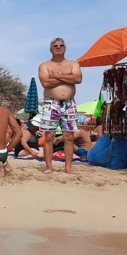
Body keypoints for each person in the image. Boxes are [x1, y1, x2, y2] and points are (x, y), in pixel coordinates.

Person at [38, 37, 82, 174]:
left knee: (69, 136)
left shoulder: (73, 64)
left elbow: (78, 79)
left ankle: (68, 167)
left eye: (61, 45)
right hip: (51, 102)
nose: (58, 47)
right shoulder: (44, 65)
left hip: (69, 103)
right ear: (51, 49)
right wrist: (67, 77)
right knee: (49, 136)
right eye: (55, 45)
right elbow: (45, 83)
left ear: (65, 48)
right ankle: (49, 166)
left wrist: (56, 76)